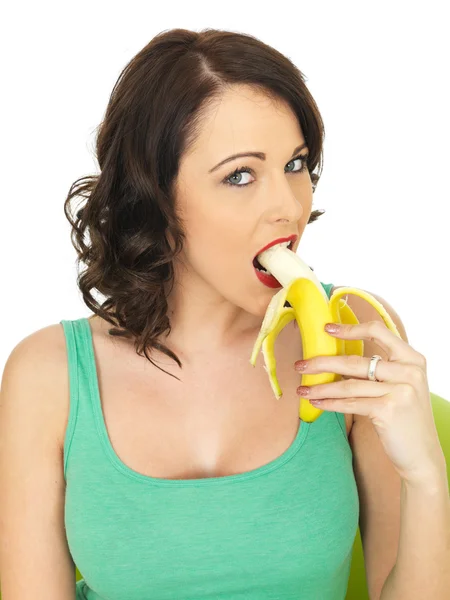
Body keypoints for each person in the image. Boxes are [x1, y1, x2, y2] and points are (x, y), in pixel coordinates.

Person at [0, 27, 398, 600]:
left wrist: (427, 477)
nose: (288, 207)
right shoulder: (48, 376)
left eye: (296, 164)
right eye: (240, 175)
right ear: (156, 197)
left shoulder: (354, 335)